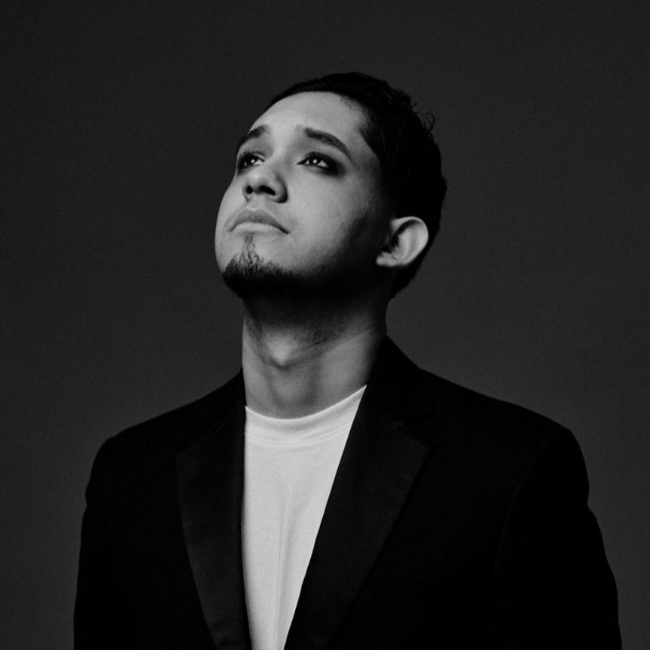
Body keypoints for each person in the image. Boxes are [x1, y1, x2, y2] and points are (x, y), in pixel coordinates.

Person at [74, 72, 621, 649]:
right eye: (249, 158)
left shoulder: (510, 471)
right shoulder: (130, 479)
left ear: (395, 242)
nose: (259, 178)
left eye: (317, 161)